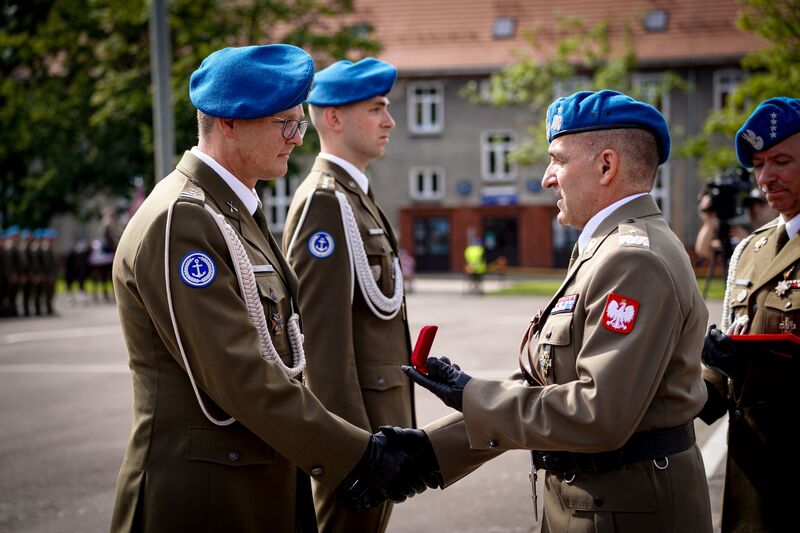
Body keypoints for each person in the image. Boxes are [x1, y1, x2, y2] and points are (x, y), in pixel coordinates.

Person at [109, 45, 434, 533]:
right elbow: (239, 375)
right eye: (285, 123)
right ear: (229, 122)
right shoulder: (184, 220)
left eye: (300, 123)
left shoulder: (231, 211)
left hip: (251, 479)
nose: (298, 139)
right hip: (206, 497)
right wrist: (357, 455)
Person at [399, 90, 713, 531]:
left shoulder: (633, 258)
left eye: (558, 160)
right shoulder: (605, 249)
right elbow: (550, 382)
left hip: (626, 510)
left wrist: (472, 395)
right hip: (598, 502)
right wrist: (428, 451)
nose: (547, 177)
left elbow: (597, 413)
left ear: (607, 166)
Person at [282, 58, 415, 533]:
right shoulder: (325, 201)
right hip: (359, 439)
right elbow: (321, 344)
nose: (390, 121)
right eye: (377, 108)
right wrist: (350, 454)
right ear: (334, 119)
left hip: (379, 427)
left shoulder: (354, 195)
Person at [699, 96, 800, 532]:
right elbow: (728, 364)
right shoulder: (749, 250)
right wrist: (700, 381)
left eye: (781, 161)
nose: (765, 177)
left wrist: (754, 370)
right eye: (759, 164)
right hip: (751, 479)